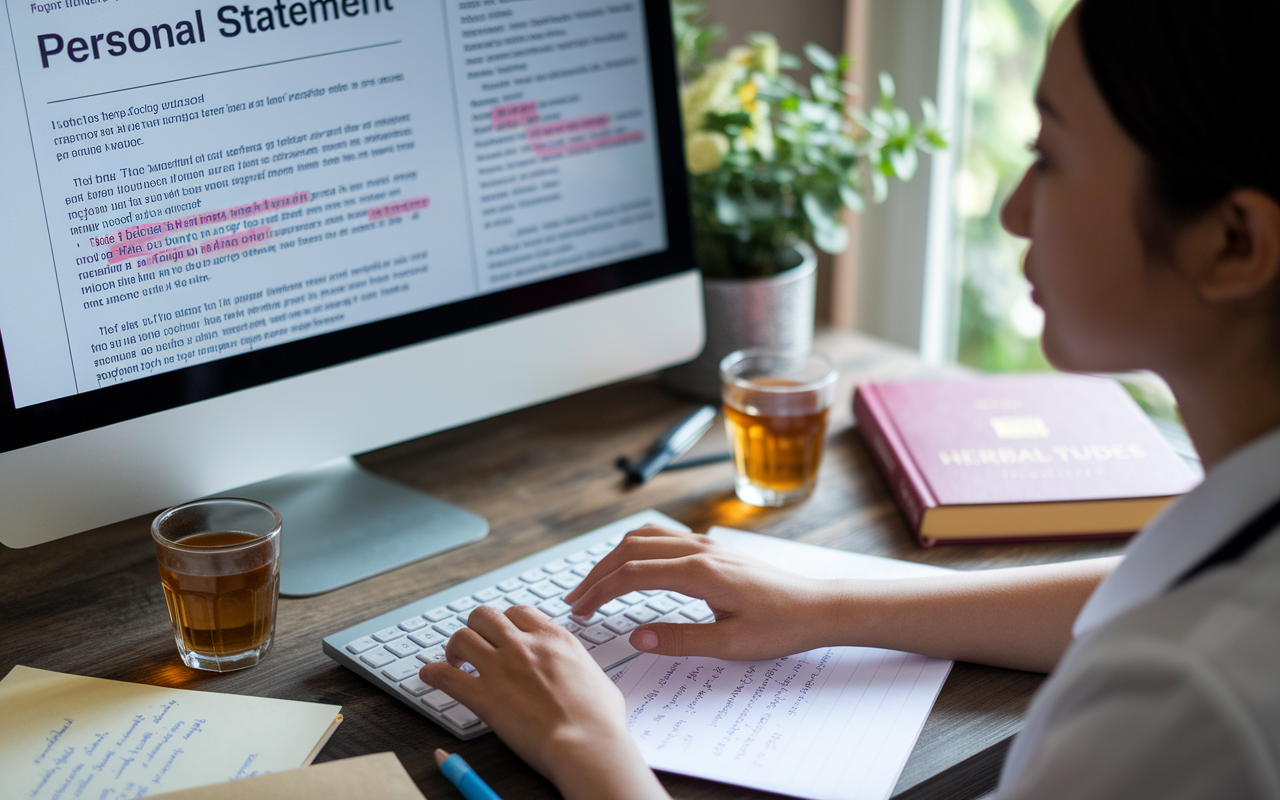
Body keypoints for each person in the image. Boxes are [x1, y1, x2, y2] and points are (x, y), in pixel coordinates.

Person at [420, 0, 1280, 796]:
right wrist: (830, 606)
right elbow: (1146, 589)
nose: (1016, 211)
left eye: (1050, 157)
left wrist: (589, 750)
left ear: (1234, 242)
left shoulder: (1189, 702)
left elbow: (1176, 634)